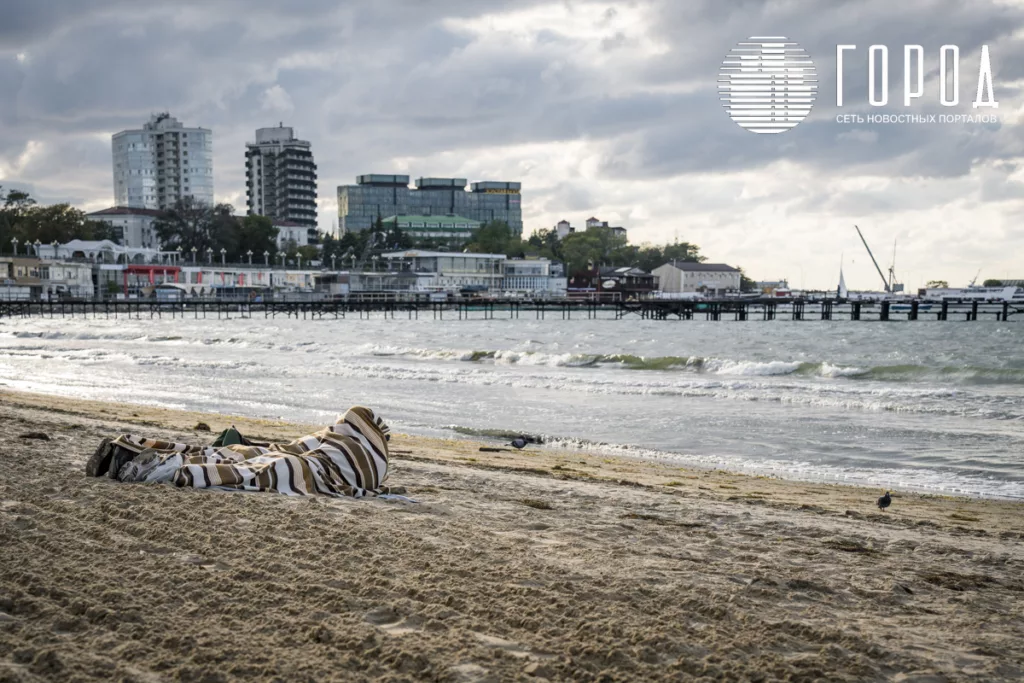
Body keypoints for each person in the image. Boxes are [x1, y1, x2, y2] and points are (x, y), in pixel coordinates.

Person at [86, 406, 394, 498]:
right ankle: (156, 466)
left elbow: (307, 447)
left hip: (304, 461)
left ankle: (135, 451)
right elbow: (307, 450)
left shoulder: (340, 436)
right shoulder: (364, 453)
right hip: (306, 463)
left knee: (233, 457)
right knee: (248, 465)